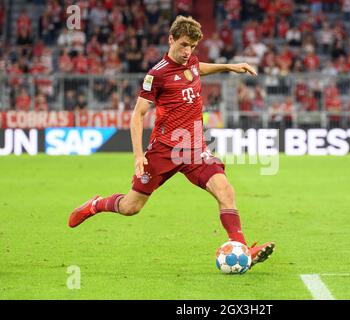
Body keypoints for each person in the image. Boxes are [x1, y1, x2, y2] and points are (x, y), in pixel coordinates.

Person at [68, 16, 275, 269]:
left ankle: (243, 250)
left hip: (195, 147)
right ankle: (96, 204)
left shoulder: (193, 61)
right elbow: (137, 115)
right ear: (171, 40)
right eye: (184, 45)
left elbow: (200, 68)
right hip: (164, 150)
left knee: (225, 190)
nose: (188, 52)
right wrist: (137, 156)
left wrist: (230, 67)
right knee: (131, 207)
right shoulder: (156, 75)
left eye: (193, 47)